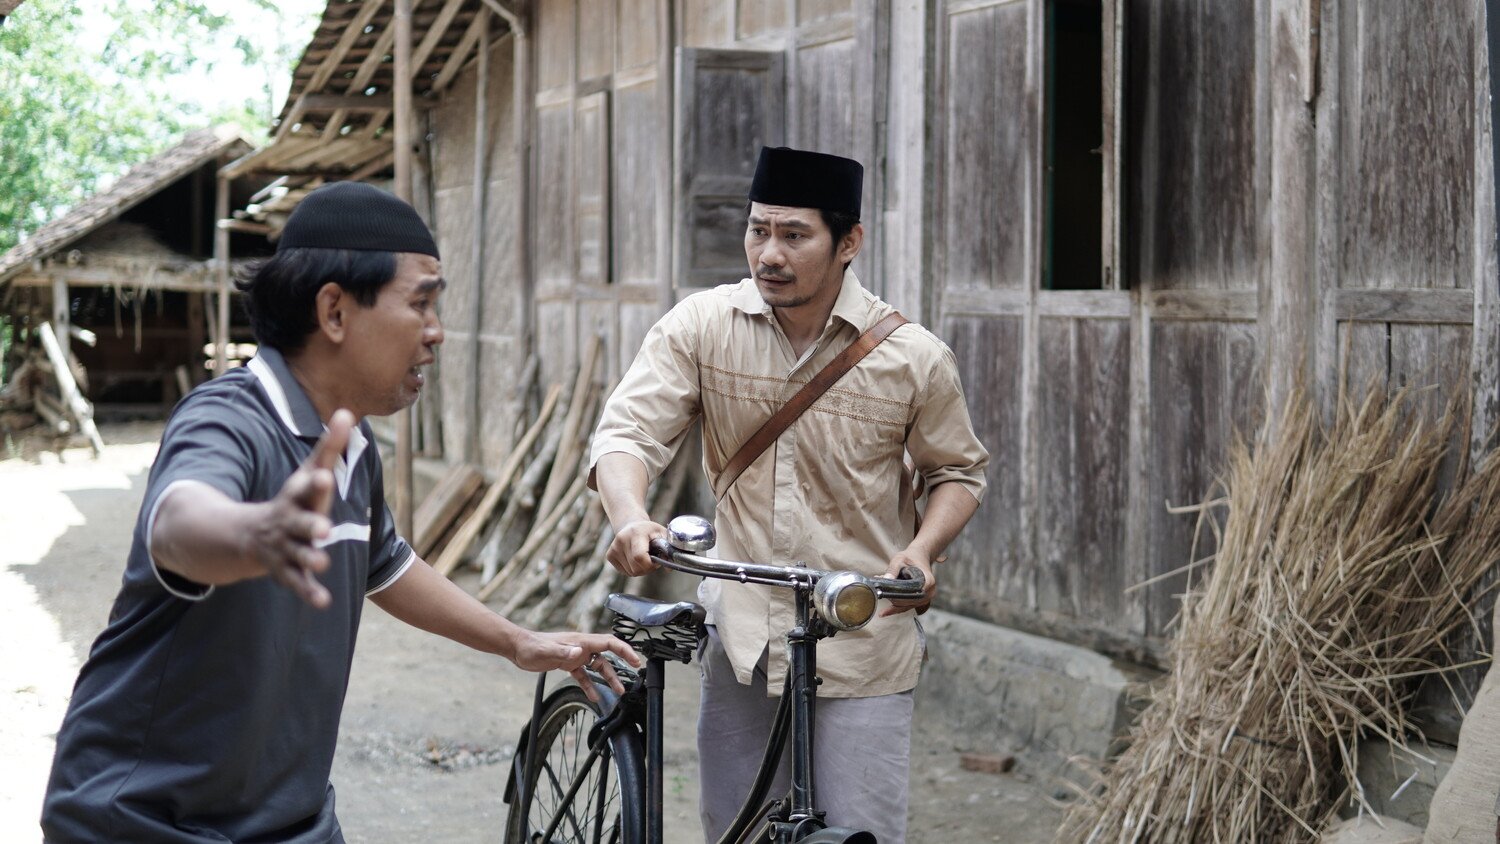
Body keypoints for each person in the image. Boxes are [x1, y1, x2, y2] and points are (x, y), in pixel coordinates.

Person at [40, 182, 639, 843]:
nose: (437, 332)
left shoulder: (349, 442)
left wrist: (516, 641)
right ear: (333, 311)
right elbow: (179, 523)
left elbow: (388, 566)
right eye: (421, 303)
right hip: (141, 817)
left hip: (288, 819)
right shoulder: (228, 418)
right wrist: (254, 534)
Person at [589, 146, 989, 843]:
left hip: (862, 637)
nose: (769, 253)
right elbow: (628, 431)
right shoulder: (702, 326)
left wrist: (923, 549)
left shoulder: (913, 356)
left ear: (848, 243)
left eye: (794, 235)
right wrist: (629, 516)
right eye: (758, 230)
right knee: (735, 831)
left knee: (860, 833)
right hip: (742, 636)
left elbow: (956, 471)